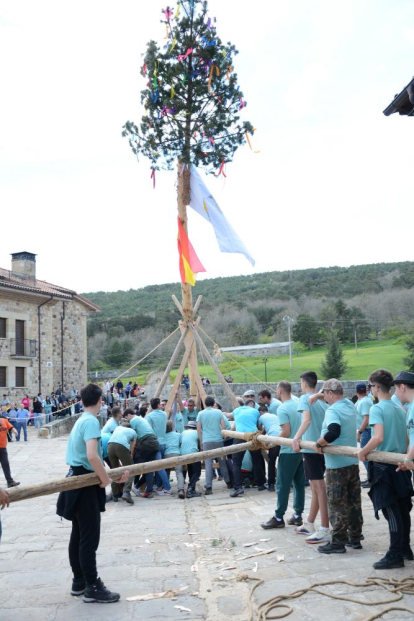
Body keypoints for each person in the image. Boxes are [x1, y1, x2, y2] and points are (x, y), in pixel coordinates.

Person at [56, 383, 129, 603]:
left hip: (75, 480)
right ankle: (92, 586)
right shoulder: (91, 422)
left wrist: (112, 476)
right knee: (89, 539)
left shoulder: (81, 419)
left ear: (81, 400)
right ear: (100, 401)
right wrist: (106, 480)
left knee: (78, 536)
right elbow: (92, 456)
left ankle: (79, 582)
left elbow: (89, 460)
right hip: (84, 486)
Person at [359, 369, 413, 569]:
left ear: (375, 386)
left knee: (391, 511)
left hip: (384, 467)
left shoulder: (377, 408)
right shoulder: (401, 408)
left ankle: (394, 554)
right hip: (401, 464)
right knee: (402, 509)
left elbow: (378, 437)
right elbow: (408, 439)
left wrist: (362, 452)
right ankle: (405, 549)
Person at [315, 379, 363, 555]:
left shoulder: (332, 410)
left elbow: (334, 431)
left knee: (336, 503)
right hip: (352, 461)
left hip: (336, 465)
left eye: (325, 394)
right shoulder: (349, 405)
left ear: (329, 393)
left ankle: (337, 543)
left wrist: (319, 444)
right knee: (353, 501)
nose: (325, 398)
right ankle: (355, 537)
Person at [292, 371, 330, 544]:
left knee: (319, 487)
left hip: (310, 447)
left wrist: (296, 438)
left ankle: (324, 528)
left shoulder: (305, 399)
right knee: (316, 487)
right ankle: (309, 523)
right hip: (322, 447)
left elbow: (306, 421)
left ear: (304, 383)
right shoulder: (323, 401)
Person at [261, 381, 304, 530]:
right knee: (299, 484)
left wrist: (274, 442)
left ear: (279, 391)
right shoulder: (298, 403)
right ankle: (298, 515)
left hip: (288, 450)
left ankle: (279, 517)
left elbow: (286, 431)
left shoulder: (282, 408)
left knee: (282, 485)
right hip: (301, 449)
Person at [230, 398, 266, 497]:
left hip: (240, 435)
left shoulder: (236, 410)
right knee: (257, 460)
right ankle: (261, 484)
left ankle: (238, 487)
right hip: (252, 436)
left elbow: (234, 424)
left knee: (236, 463)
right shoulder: (255, 411)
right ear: (251, 404)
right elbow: (258, 426)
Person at [197, 396, 231, 494]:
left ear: (205, 403)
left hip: (207, 441)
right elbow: (223, 426)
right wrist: (223, 436)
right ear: (213, 403)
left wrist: (201, 440)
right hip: (218, 440)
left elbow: (199, 429)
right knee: (222, 462)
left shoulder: (201, 413)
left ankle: (208, 487)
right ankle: (228, 481)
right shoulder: (218, 412)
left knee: (208, 464)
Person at [130, 411, 159, 499]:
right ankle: (148, 491)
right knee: (149, 469)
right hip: (155, 443)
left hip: (146, 442)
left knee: (136, 464)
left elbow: (134, 437)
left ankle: (133, 486)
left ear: (128, 415)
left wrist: (131, 452)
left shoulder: (133, 420)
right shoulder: (142, 419)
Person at [107, 422, 137, 505]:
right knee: (131, 469)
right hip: (121, 446)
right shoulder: (133, 432)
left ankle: (115, 495)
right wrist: (130, 456)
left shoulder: (117, 428)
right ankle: (126, 492)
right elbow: (132, 447)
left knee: (115, 471)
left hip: (110, 446)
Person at [146, 398, 172, 495]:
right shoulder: (164, 414)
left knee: (159, 467)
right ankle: (159, 486)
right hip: (163, 442)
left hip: (155, 443)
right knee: (159, 465)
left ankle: (167, 487)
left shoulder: (149, 416)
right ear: (158, 405)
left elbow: (148, 429)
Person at [258, 404, 280, 493]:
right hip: (283, 437)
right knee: (282, 461)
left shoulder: (261, 418)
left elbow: (259, 430)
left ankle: (271, 484)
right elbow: (268, 428)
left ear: (260, 412)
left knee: (271, 461)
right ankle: (287, 484)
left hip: (273, 439)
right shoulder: (274, 415)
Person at [355, 383, 372, 487]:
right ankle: (370, 477)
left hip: (367, 431)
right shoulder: (365, 400)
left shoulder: (364, 402)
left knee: (364, 455)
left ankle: (371, 478)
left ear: (356, 392)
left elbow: (366, 419)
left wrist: (359, 431)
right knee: (366, 455)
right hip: (366, 431)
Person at [180, 421, 202, 498]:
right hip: (193, 453)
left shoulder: (183, 432)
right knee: (197, 471)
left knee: (190, 469)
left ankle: (191, 488)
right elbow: (200, 444)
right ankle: (190, 489)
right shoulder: (197, 432)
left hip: (183, 453)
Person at [164, 420, 185, 499]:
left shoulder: (163, 435)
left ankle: (167, 488)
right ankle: (181, 490)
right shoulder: (178, 435)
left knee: (166, 471)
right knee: (179, 472)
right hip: (176, 453)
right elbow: (180, 444)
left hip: (166, 454)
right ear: (172, 427)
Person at [0, 414, 20, 488]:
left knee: (5, 465)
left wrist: (14, 430)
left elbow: (10, 427)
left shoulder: (4, 420)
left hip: (3, 448)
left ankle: (10, 482)